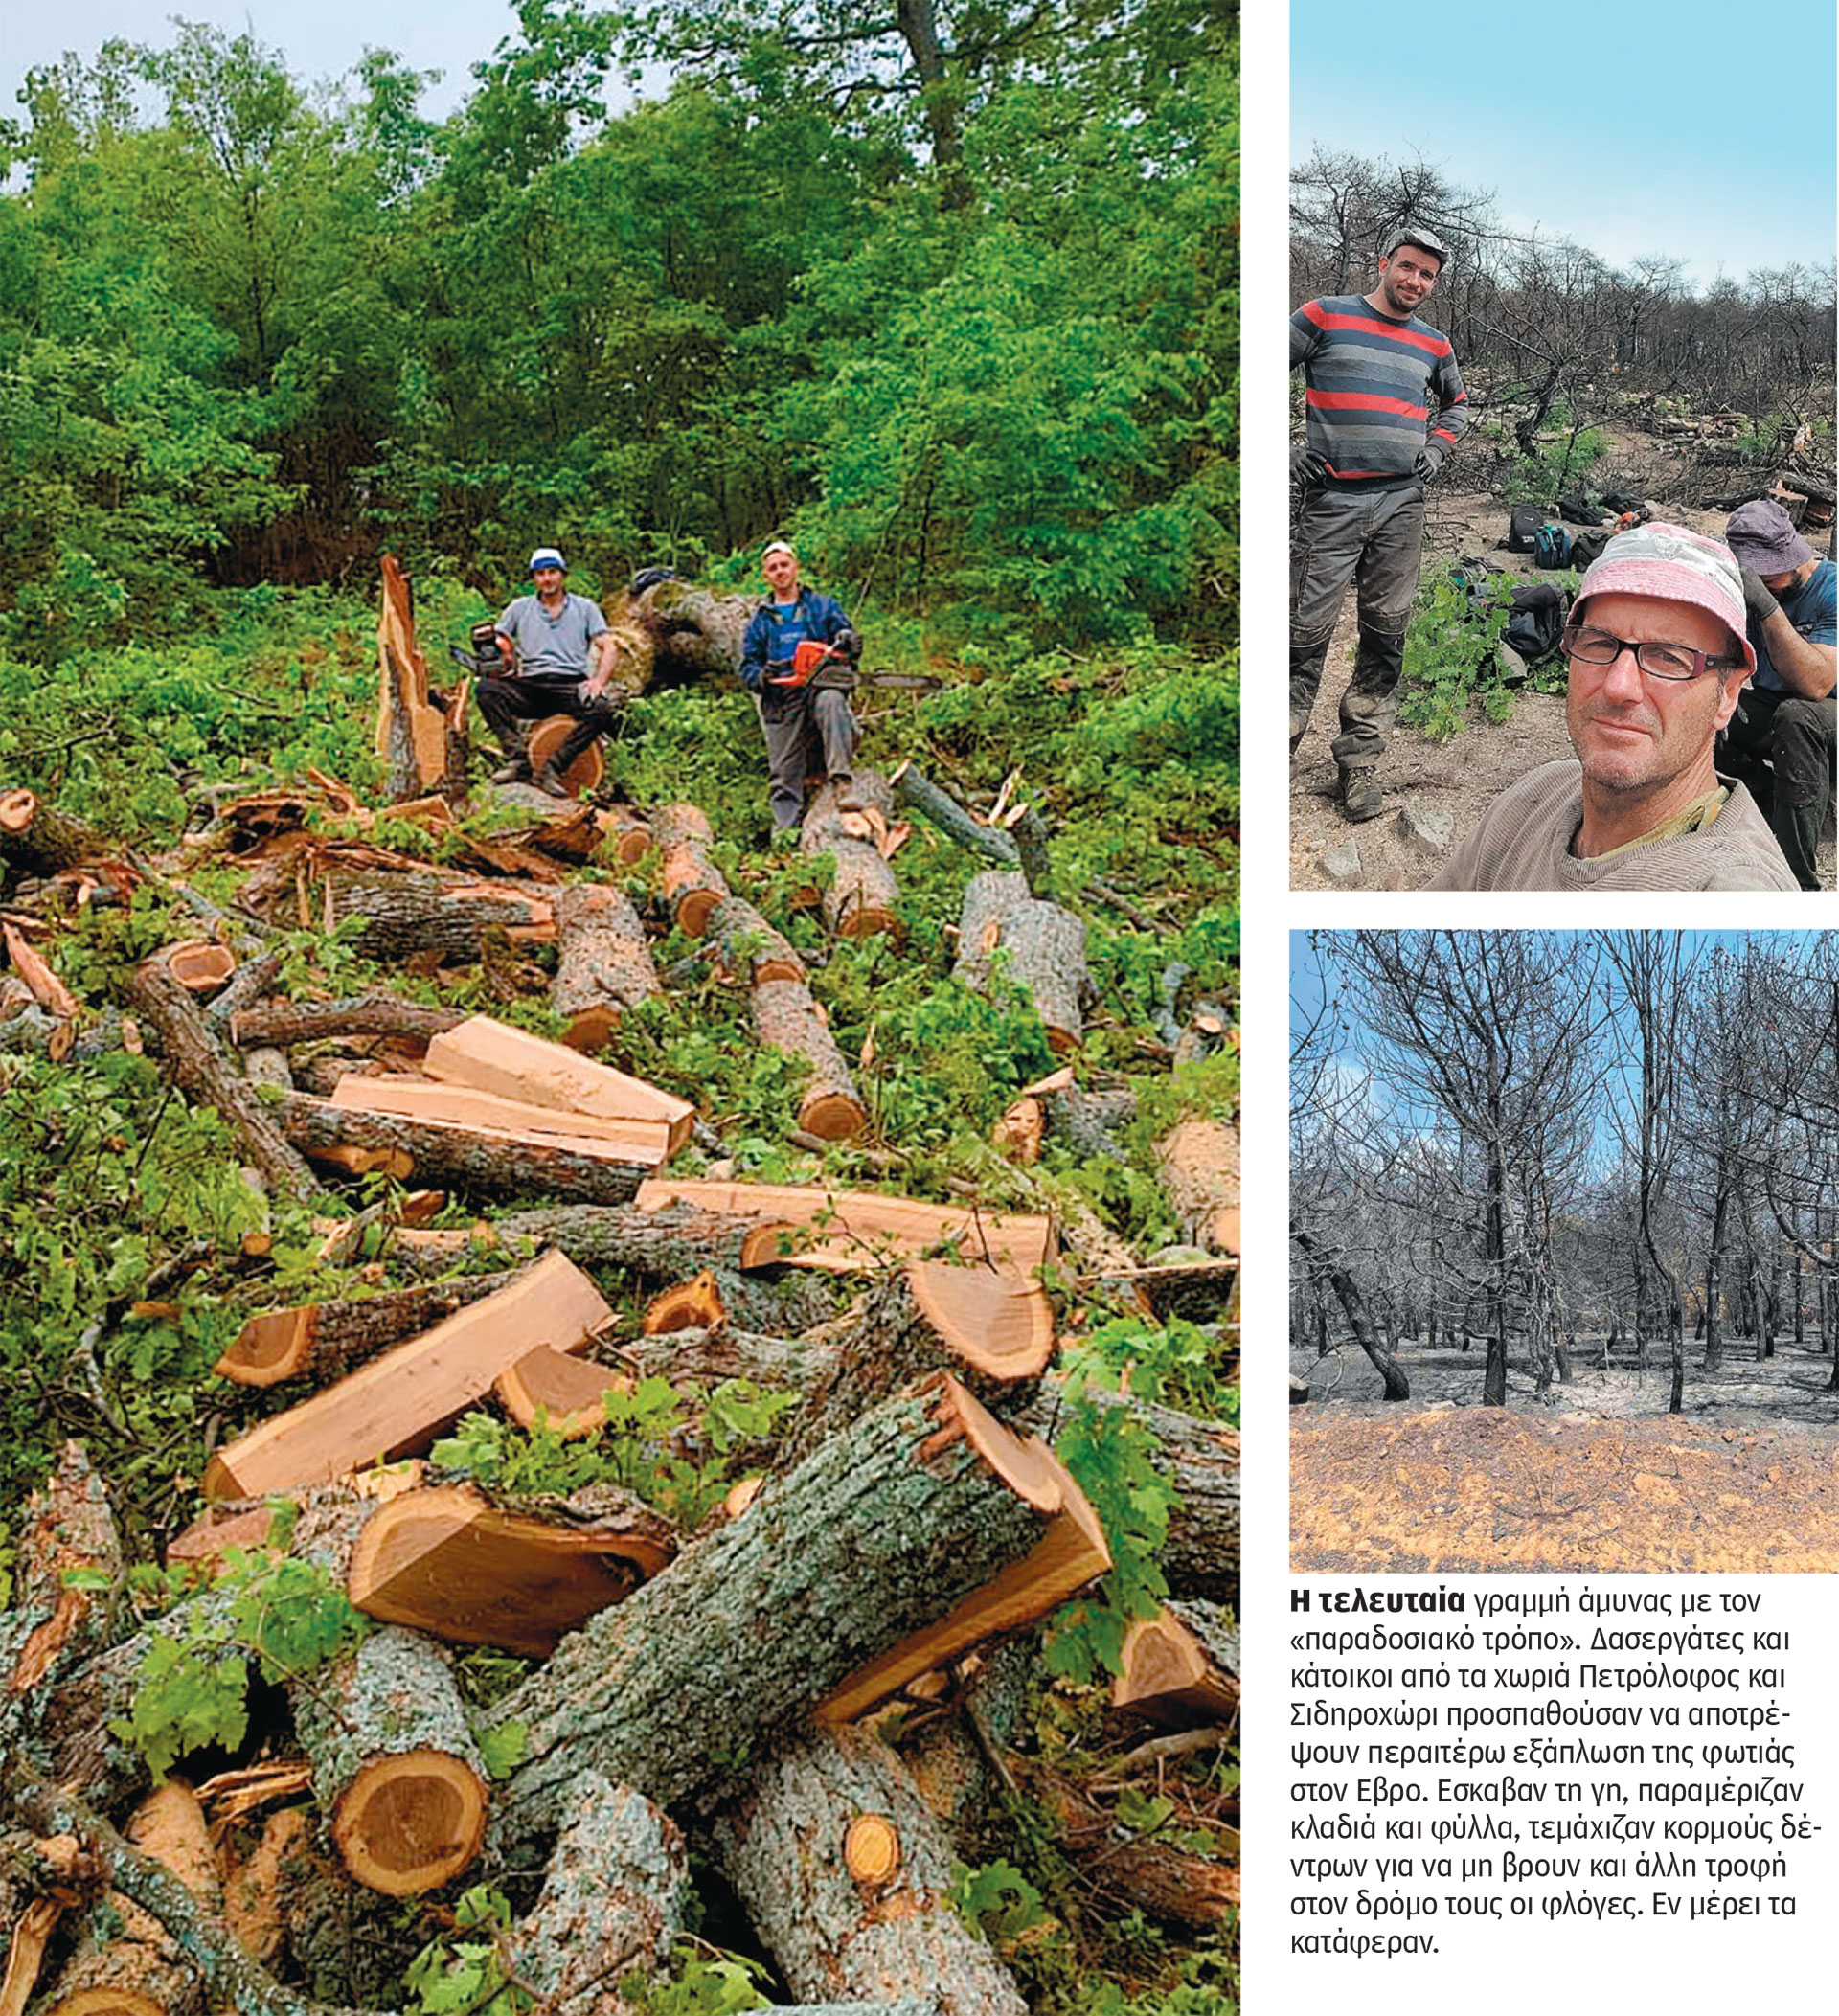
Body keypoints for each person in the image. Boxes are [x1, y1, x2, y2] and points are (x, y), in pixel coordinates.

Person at [1425, 523, 1798, 891]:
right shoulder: (1535, 797)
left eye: (1669, 657)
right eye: (1599, 643)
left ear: (1728, 693)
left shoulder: (1732, 891)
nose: (1619, 686)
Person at [1290, 224, 1469, 822]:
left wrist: (1437, 450)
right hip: (1331, 504)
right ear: (1384, 262)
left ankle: (1359, 766)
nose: (1415, 281)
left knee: (1384, 638)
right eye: (1408, 267)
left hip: (1401, 506)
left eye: (1428, 275)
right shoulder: (1324, 315)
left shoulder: (1434, 344)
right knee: (1300, 638)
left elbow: (1459, 407)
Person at [1718, 499, 1836, 891]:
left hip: (1825, 711)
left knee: (1797, 716)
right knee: (1707, 709)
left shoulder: (1831, 590)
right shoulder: (1750, 590)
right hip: (1777, 708)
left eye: (1771, 577)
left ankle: (1796, 882)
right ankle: (1774, 807)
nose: (1765, 585)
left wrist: (1768, 608)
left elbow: (1816, 686)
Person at [739, 540, 861, 836]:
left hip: (819, 686)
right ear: (766, 575)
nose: (780, 571)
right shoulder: (760, 620)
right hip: (781, 698)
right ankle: (784, 832)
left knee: (833, 701)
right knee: (783, 771)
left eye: (784, 565)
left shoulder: (823, 606)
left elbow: (847, 640)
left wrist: (847, 639)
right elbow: (747, 666)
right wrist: (762, 677)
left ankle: (842, 782)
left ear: (795, 568)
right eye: (773, 568)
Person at [478, 547, 622, 797]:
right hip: (531, 686)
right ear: (534, 578)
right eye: (541, 573)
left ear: (562, 574)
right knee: (486, 689)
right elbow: (499, 640)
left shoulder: (584, 608)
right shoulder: (520, 608)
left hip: (570, 685)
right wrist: (501, 655)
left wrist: (599, 681)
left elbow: (609, 646)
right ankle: (518, 760)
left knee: (602, 709)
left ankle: (554, 767)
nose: (547, 578)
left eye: (552, 572)